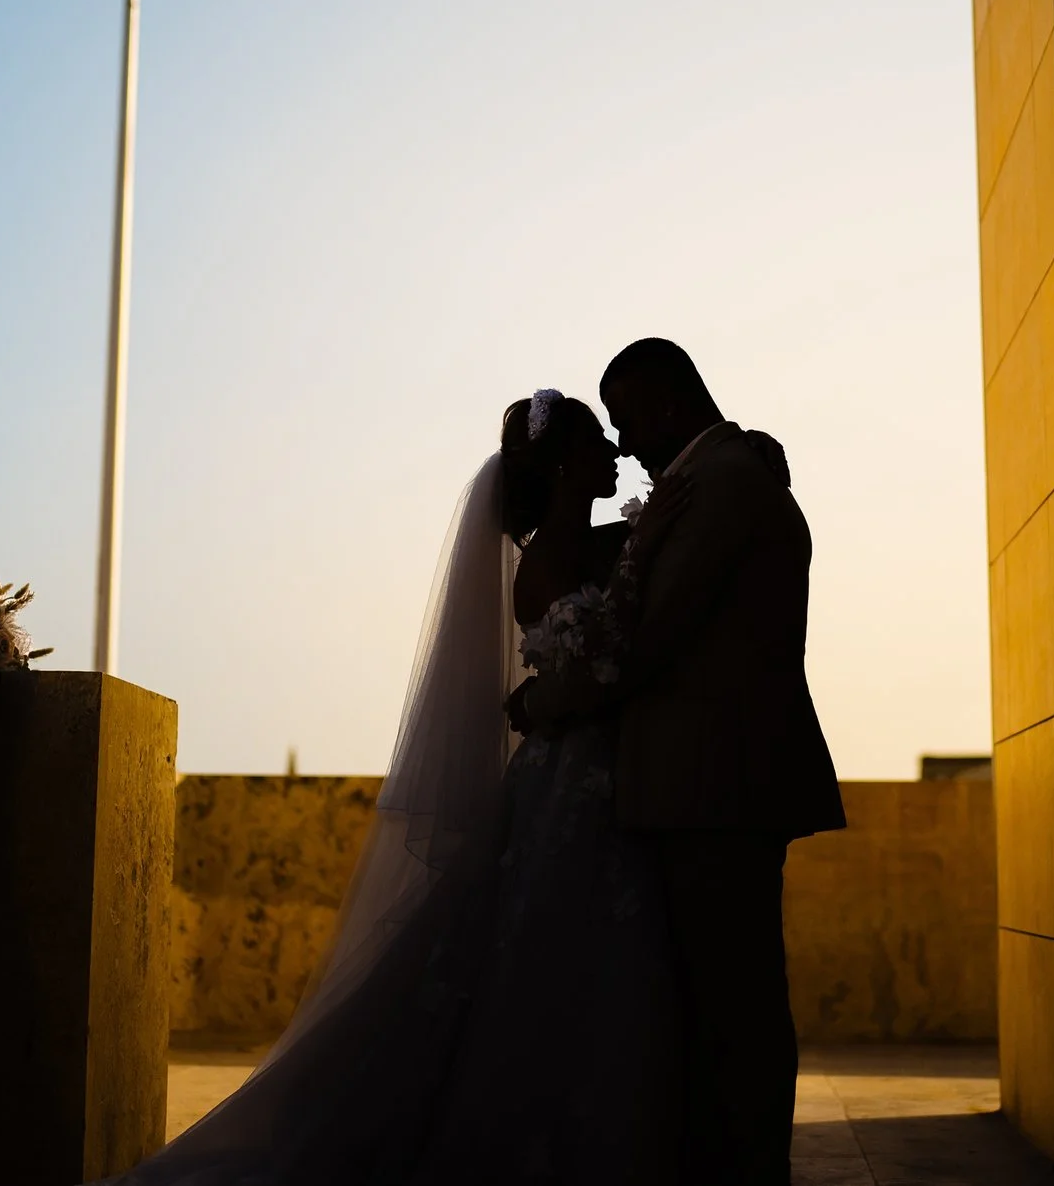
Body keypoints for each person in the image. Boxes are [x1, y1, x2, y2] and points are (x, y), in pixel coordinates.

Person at [120, 389, 692, 1186]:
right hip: (570, 785)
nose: (616, 456)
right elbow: (598, 665)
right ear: (564, 467)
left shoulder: (609, 543)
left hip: (605, 778)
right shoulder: (546, 568)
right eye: (598, 442)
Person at [514, 339, 845, 1186]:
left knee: (733, 1003)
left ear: (665, 405)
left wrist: (537, 705)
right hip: (694, 785)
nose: (623, 447)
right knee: (710, 1003)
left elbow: (647, 641)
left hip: (716, 785)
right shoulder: (718, 477)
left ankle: (746, 1166)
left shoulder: (723, 484)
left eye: (626, 422)